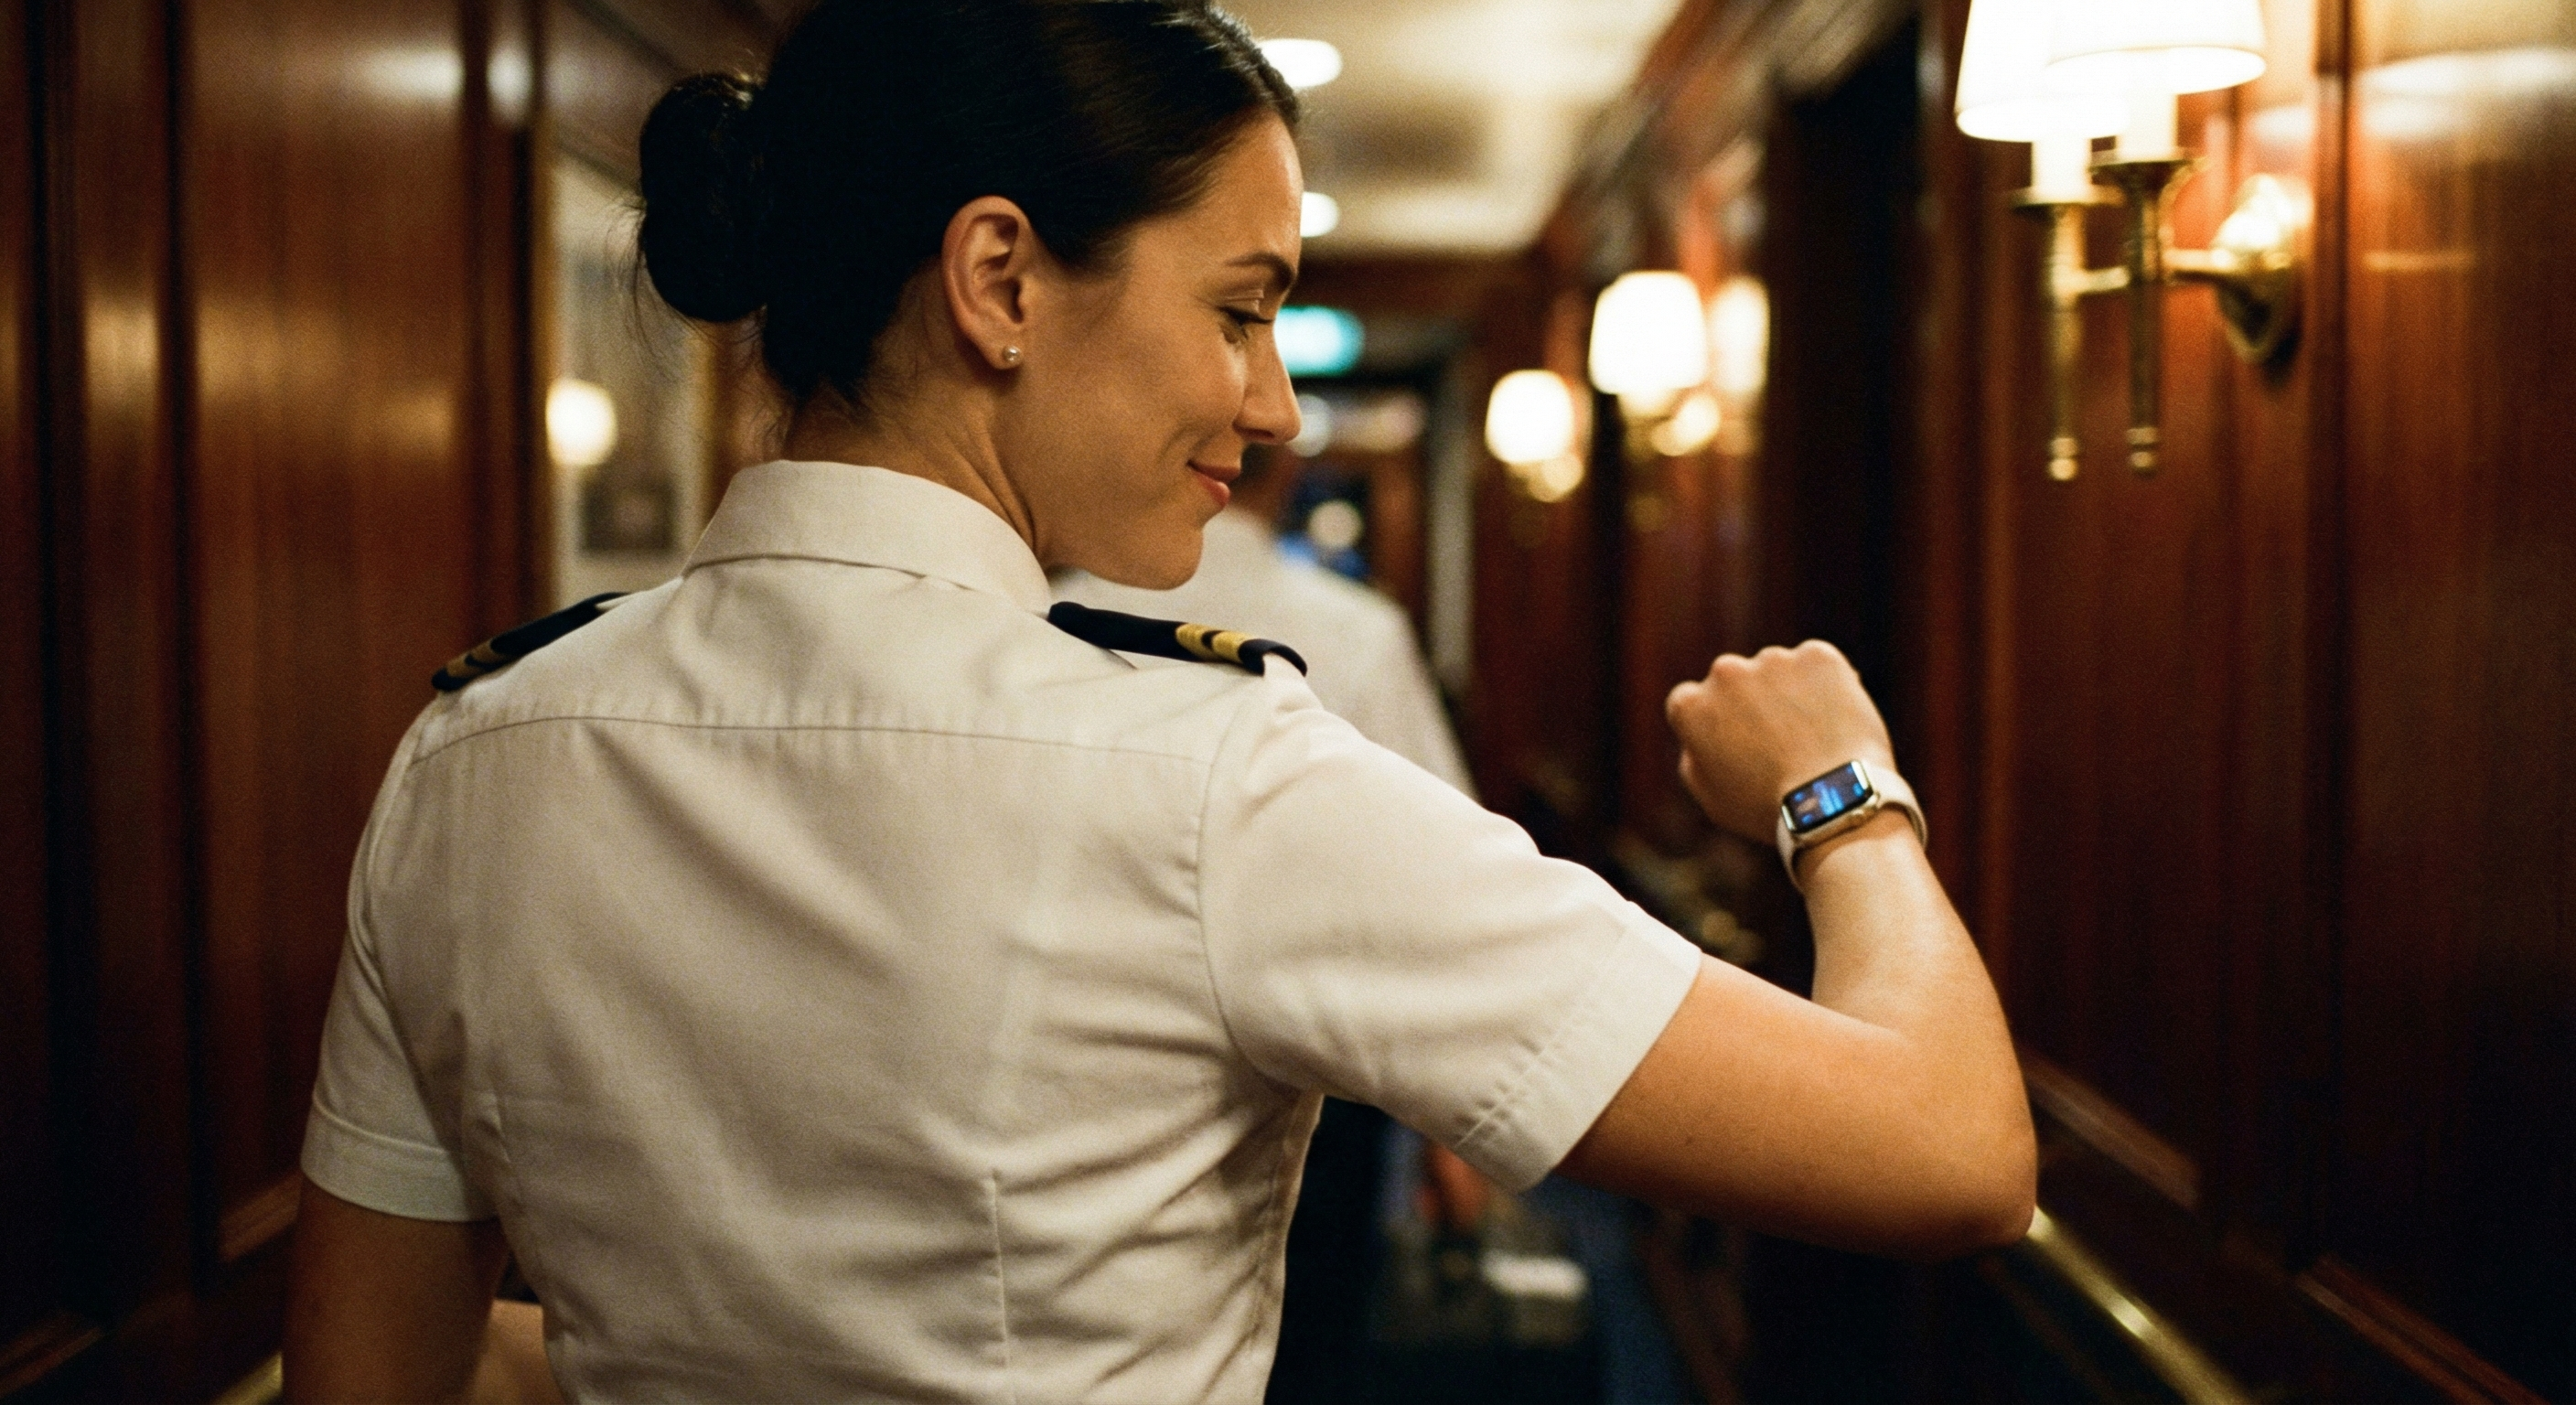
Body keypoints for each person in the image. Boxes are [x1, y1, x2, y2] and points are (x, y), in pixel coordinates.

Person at [282, 3, 2036, 1401]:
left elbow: (372, 1380)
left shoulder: (471, 757)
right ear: (1001, 282)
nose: (1271, 408)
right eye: (1243, 310)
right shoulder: (1216, 782)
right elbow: (1951, 1152)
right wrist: (1842, 790)